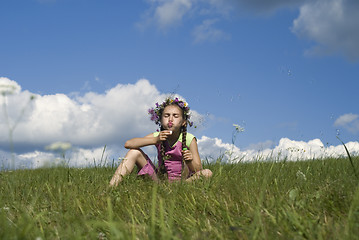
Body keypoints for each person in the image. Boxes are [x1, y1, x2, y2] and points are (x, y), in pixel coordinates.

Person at [110, 97, 212, 187]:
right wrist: (155, 140)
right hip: (159, 183)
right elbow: (128, 144)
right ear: (160, 120)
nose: (170, 119)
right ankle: (111, 188)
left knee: (207, 173)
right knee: (134, 152)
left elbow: (198, 169)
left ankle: (179, 188)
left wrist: (190, 161)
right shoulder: (158, 136)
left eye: (175, 116)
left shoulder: (190, 139)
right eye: (166, 115)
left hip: (184, 182)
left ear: (183, 122)